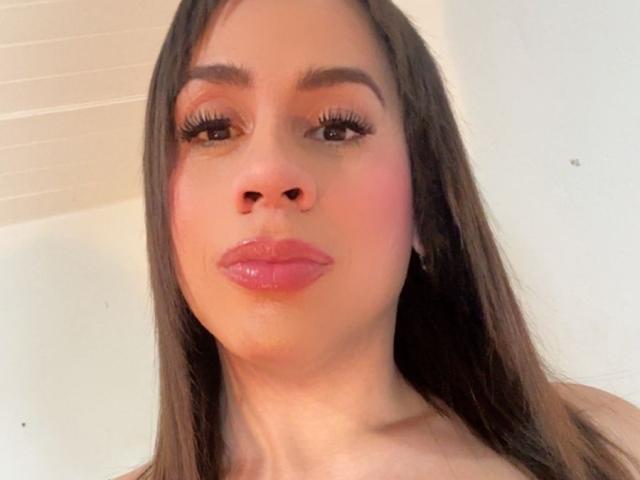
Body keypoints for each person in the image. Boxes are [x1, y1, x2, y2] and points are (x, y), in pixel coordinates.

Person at [115, 0, 640, 479]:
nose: (269, 172)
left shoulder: (613, 441)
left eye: (337, 128)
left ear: (424, 202)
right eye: (212, 129)